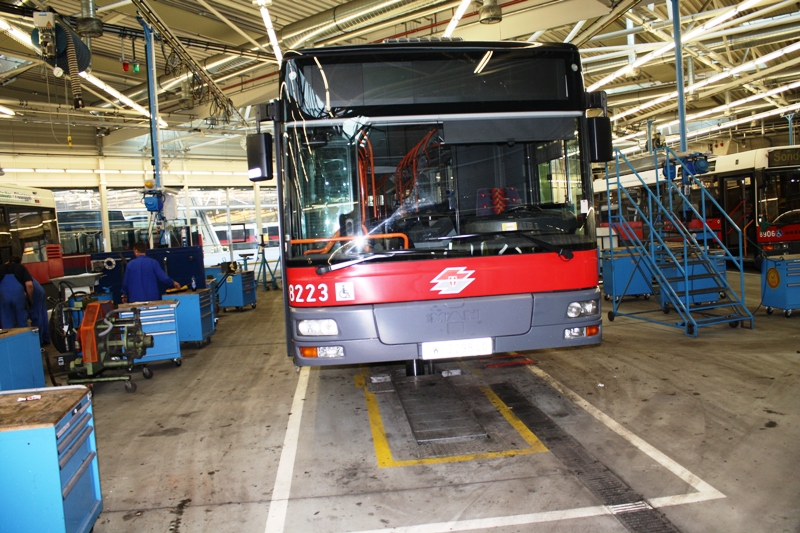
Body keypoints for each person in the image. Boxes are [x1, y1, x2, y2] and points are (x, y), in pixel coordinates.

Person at [8, 256, 49, 344]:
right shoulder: (20, 270)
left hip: (34, 292)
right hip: (39, 290)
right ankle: (45, 339)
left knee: (36, 316)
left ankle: (37, 341)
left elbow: (29, 285)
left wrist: (29, 298)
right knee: (41, 315)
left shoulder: (11, 271)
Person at [0, 256, 34, 329]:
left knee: (7, 323)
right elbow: (29, 284)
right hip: (18, 297)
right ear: (19, 262)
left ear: (8, 261)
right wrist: (29, 297)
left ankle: (8, 339)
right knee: (22, 321)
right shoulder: (21, 268)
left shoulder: (1, 268)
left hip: (4, 297)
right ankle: (23, 339)